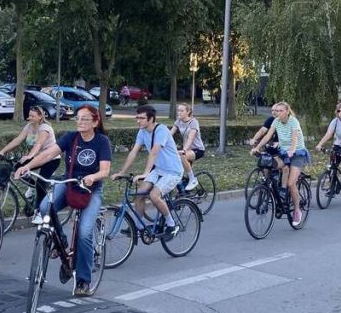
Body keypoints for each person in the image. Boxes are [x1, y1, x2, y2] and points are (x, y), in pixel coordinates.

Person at [16, 107, 111, 297]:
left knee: (85, 232)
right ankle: (61, 241)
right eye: (78, 118)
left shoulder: (102, 141)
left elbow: (105, 170)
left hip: (91, 188)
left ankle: (83, 280)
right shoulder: (70, 137)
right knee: (44, 207)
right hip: (68, 183)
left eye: (85, 119)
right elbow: (48, 154)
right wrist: (28, 166)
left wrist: (92, 177)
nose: (80, 122)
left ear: (95, 122)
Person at [113, 105, 184, 237]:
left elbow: (154, 153)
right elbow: (134, 152)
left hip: (173, 171)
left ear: (151, 119)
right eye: (137, 118)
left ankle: (172, 225)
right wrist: (122, 172)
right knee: (139, 194)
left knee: (154, 195)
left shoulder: (161, 130)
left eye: (141, 118)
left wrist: (146, 173)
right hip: (158, 170)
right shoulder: (142, 132)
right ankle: (139, 227)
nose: (138, 121)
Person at [250, 101, 310, 226]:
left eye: (281, 110)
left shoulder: (293, 121)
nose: (278, 113)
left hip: (297, 154)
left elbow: (294, 138)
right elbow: (267, 136)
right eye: (276, 111)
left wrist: (292, 150)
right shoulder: (276, 121)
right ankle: (274, 188)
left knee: (291, 183)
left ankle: (297, 210)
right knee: (269, 164)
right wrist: (257, 147)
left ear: (287, 111)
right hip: (283, 153)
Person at [0, 105, 59, 224]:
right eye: (29, 115)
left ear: (40, 117)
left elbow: (39, 144)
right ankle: (32, 188)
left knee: (41, 184)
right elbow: (18, 140)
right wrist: (2, 151)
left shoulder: (45, 128)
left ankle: (40, 212)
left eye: (32, 116)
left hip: (51, 159)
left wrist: (30, 156)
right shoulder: (29, 126)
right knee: (17, 169)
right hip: (37, 157)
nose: (29, 118)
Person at [170, 103, 205, 191]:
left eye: (182, 111)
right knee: (176, 170)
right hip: (187, 150)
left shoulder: (193, 122)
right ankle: (184, 192)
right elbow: (169, 134)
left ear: (188, 112)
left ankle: (192, 180)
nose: (179, 112)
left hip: (197, 149)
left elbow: (190, 138)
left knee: (182, 156)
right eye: (178, 110)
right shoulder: (178, 121)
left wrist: (184, 150)